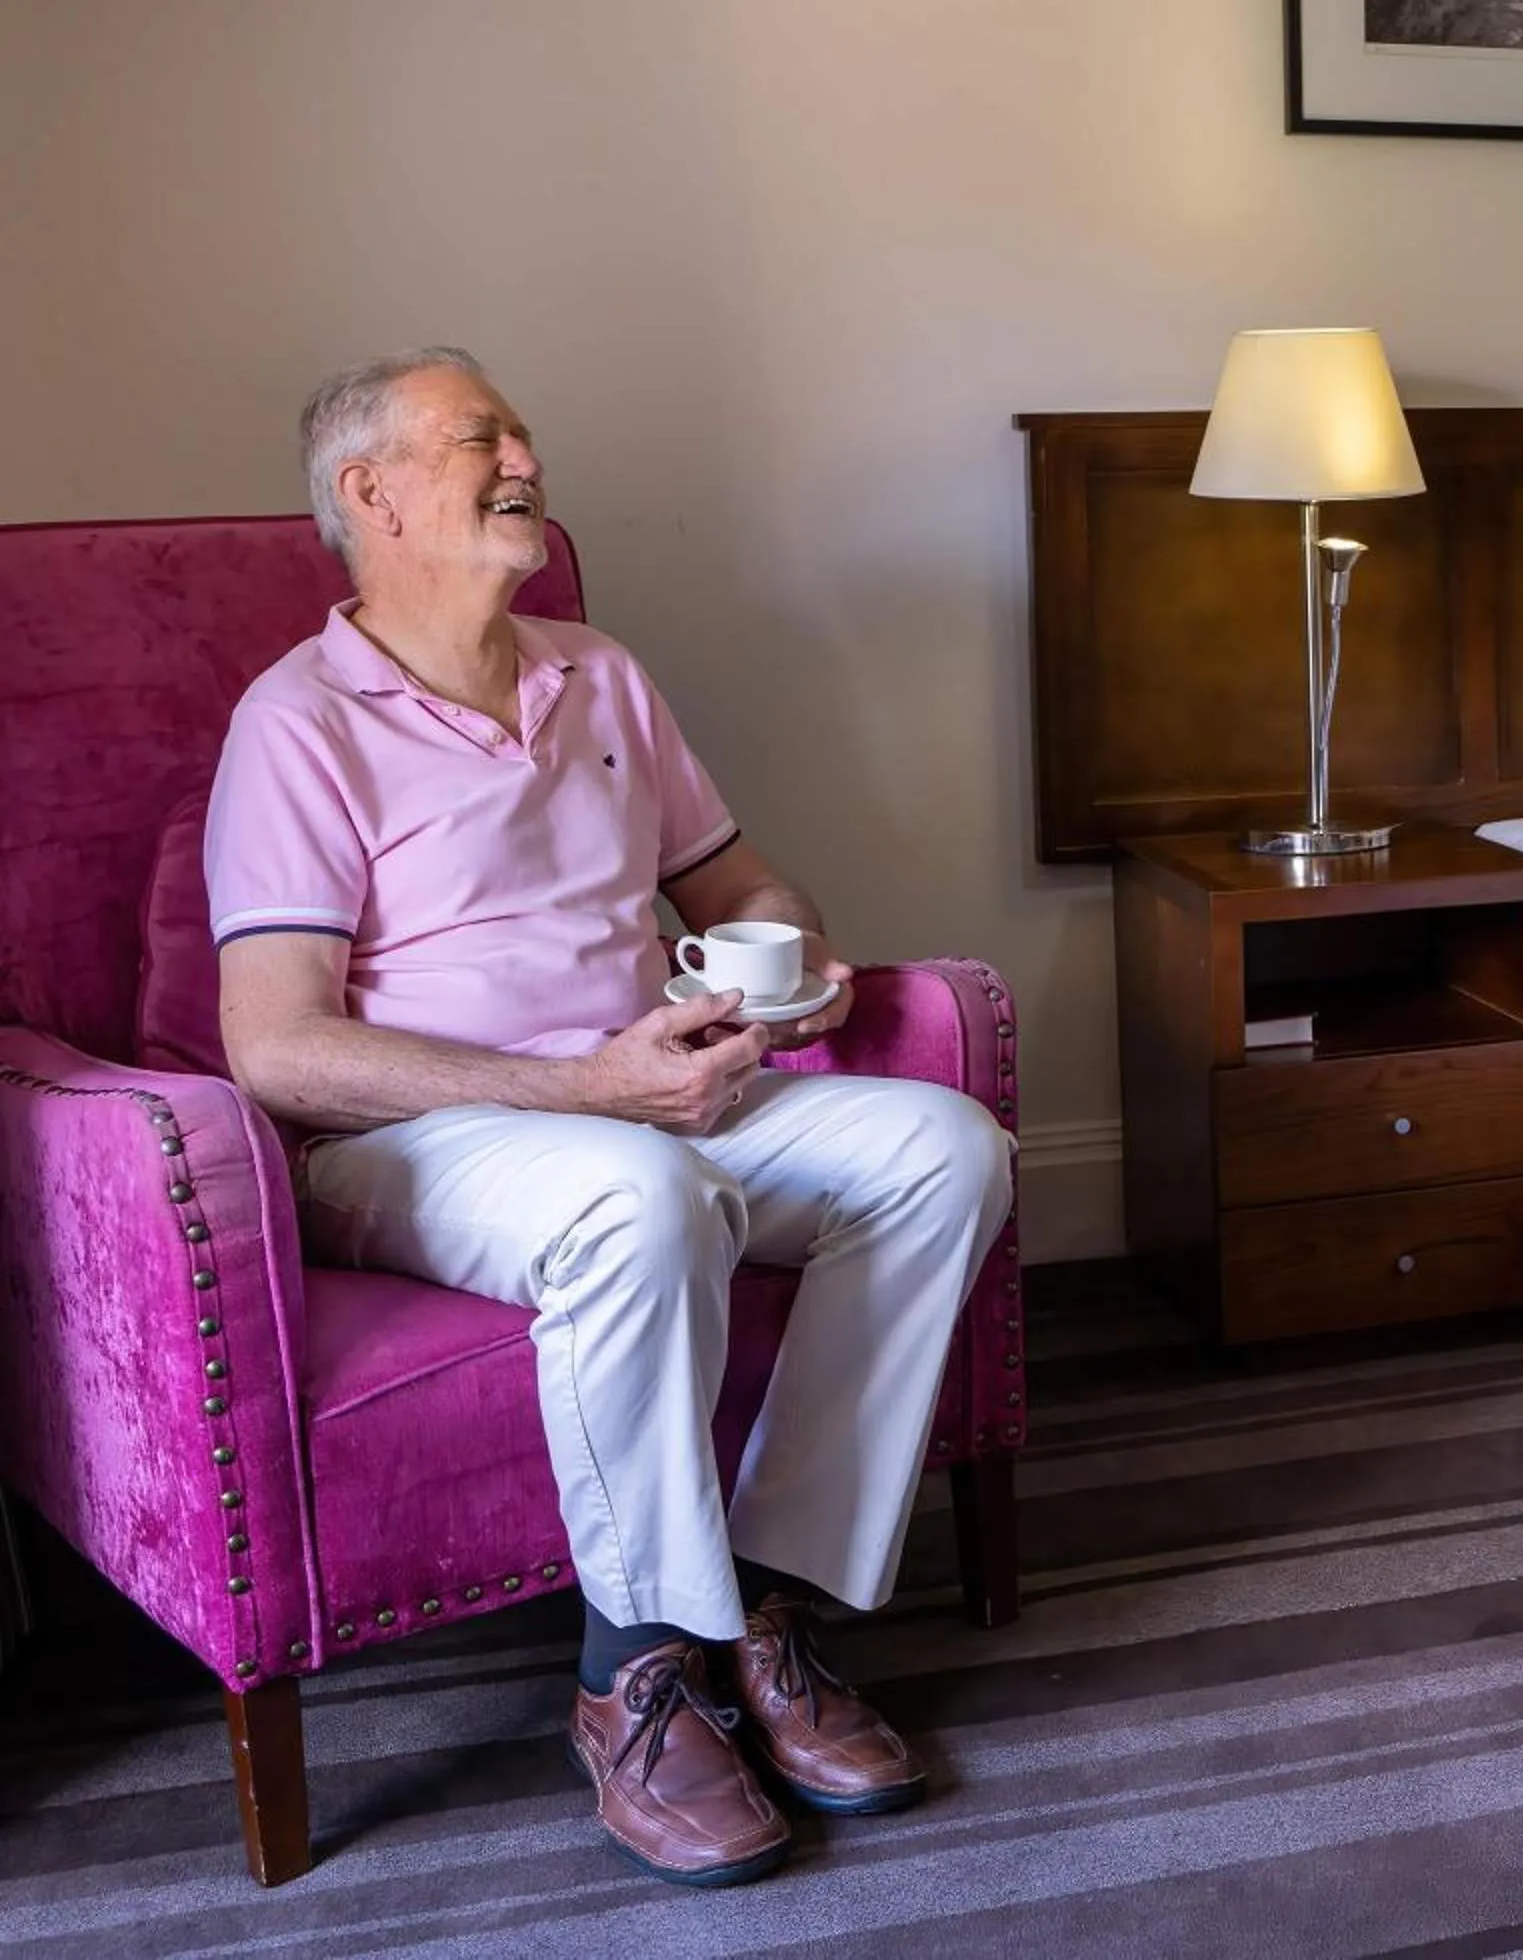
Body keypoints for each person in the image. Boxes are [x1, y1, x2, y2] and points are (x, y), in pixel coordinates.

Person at [209, 348, 1014, 1885]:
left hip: (663, 1087)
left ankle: (764, 1601)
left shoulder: (601, 671)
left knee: (941, 1152)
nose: (525, 454)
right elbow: (278, 1047)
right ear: (368, 492)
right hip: (426, 1140)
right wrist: (585, 1091)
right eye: (478, 437)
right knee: (643, 1200)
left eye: (521, 429)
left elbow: (738, 882)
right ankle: (633, 1674)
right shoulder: (298, 722)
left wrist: (796, 966)